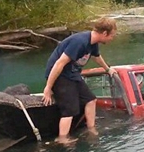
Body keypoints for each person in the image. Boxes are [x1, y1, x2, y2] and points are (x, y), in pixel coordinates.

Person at [42, 17, 117, 145]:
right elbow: (59, 63)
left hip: (72, 74)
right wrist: (48, 88)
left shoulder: (93, 43)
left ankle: (91, 129)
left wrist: (108, 69)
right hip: (60, 76)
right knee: (70, 109)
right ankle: (62, 138)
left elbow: (97, 57)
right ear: (104, 33)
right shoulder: (80, 41)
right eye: (112, 36)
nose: (112, 39)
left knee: (91, 99)